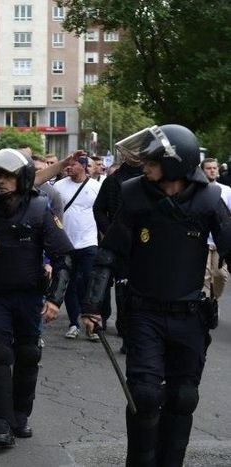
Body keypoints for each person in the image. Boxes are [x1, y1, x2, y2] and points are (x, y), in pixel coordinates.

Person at [81, 124, 231, 466]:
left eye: (152, 160)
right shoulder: (134, 194)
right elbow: (109, 253)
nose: (143, 165)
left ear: (176, 163)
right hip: (144, 313)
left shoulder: (209, 199)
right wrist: (92, 305)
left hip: (190, 315)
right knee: (145, 395)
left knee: (182, 397)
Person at [0, 149, 73, 448]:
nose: (2, 181)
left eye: (9, 176)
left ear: (23, 178)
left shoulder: (40, 207)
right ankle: (1, 422)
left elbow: (64, 257)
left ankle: (21, 415)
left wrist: (56, 299)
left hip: (30, 296)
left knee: (28, 354)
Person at [92, 147, 144, 353]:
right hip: (120, 244)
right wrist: (110, 231)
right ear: (123, 154)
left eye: (138, 151)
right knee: (122, 288)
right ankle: (125, 331)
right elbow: (99, 209)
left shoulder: (150, 177)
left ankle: (138, 331)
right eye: (130, 151)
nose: (134, 155)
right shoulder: (113, 180)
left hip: (145, 243)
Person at [53, 153, 101, 340]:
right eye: (67, 165)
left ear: (83, 166)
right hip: (66, 243)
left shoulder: (96, 187)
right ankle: (74, 323)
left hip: (89, 242)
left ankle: (91, 322)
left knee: (89, 281)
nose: (68, 167)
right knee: (69, 284)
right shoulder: (59, 186)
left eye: (73, 164)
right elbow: (53, 213)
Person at [200, 158, 231, 298]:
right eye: (208, 168)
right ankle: (205, 307)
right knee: (204, 274)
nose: (212, 170)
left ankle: (214, 300)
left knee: (220, 274)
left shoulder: (227, 190)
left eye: (214, 168)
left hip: (220, 240)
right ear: (202, 170)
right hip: (203, 239)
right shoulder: (198, 189)